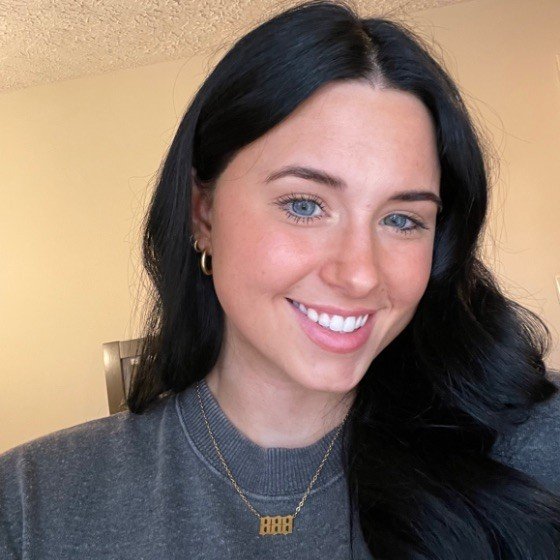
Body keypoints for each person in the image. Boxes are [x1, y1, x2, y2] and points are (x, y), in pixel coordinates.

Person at [1, 0, 560, 558]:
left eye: (401, 219)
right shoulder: (30, 506)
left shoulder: (535, 452)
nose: (360, 275)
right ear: (203, 214)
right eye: (304, 205)